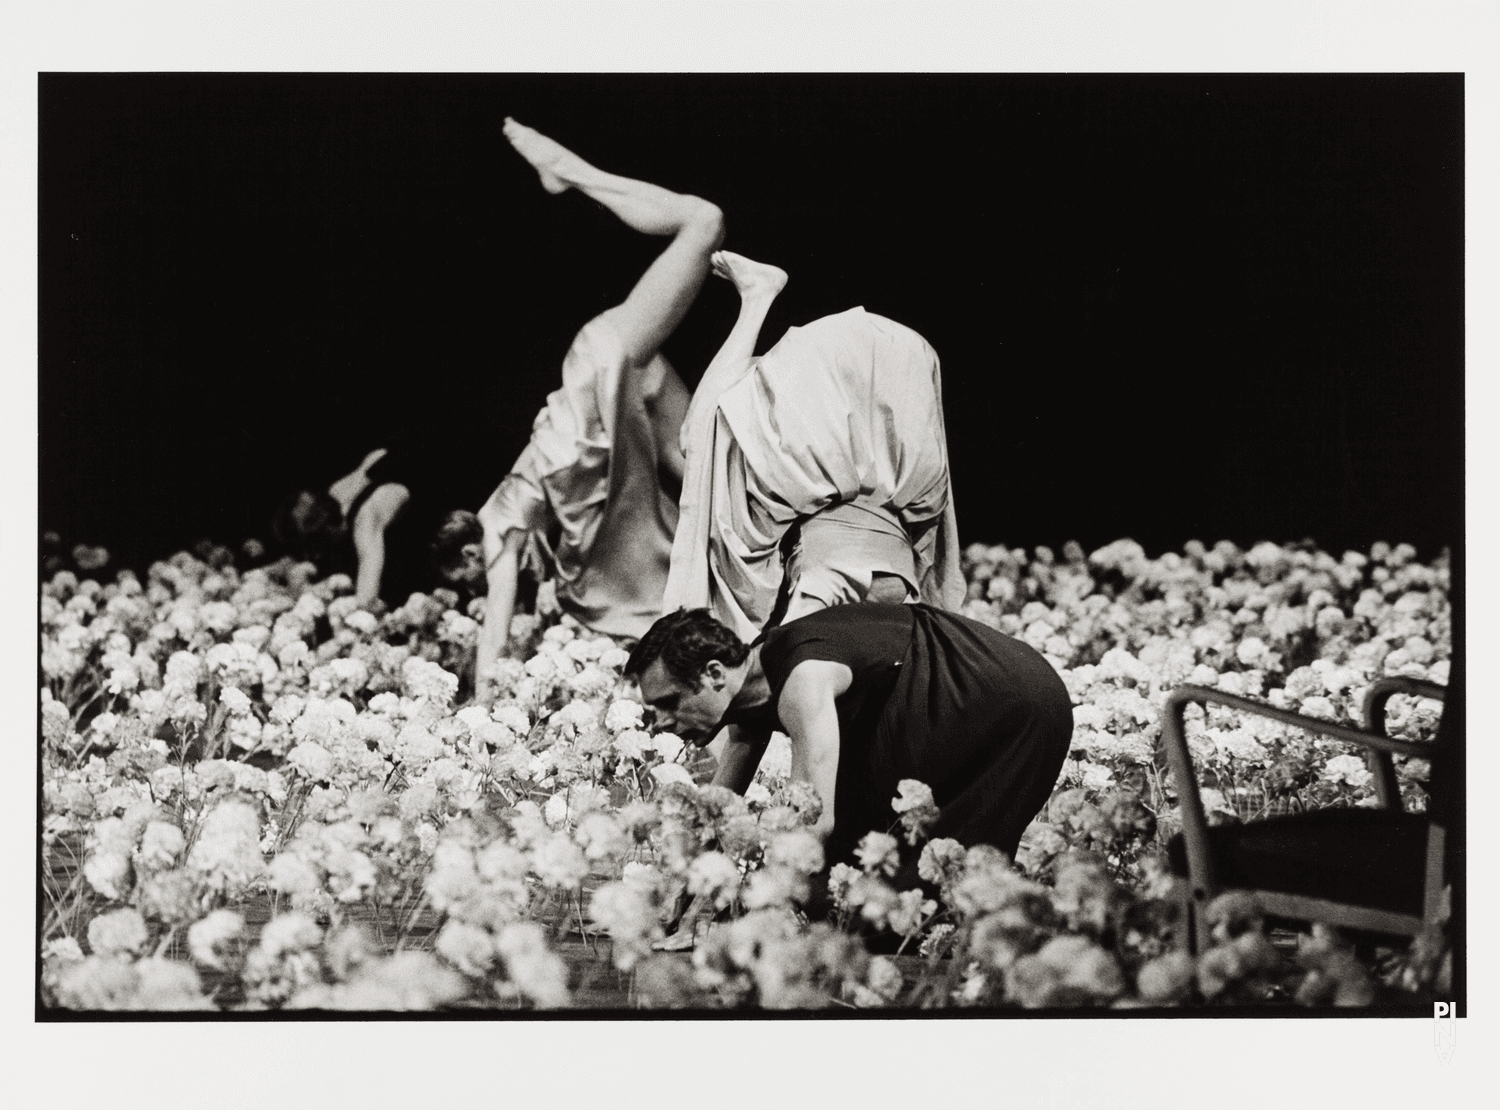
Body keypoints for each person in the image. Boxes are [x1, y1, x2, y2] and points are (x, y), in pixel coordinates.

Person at [434, 119, 723, 702]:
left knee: (704, 220)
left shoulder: (500, 532)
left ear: (468, 550)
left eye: (468, 574)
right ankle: (569, 174)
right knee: (702, 459)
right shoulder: (518, 499)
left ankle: (570, 173)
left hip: (601, 373)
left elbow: (495, 627)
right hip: (612, 382)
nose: (484, 581)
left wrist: (482, 703)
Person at [627, 604, 1073, 892]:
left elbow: (817, 822)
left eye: (669, 703)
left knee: (891, 890)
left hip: (1007, 700)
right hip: (960, 708)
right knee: (853, 881)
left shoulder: (802, 681)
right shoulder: (750, 691)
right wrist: (686, 888)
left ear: (713, 674)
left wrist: (751, 899)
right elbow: (718, 811)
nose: (663, 722)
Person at [664, 250, 966, 643]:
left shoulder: (826, 482)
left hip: (845, 558)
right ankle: (758, 299)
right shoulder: (909, 474)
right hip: (896, 374)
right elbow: (928, 537)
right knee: (704, 436)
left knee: (702, 436)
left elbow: (695, 438)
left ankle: (757, 300)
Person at [272, 438, 438, 612]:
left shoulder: (365, 518)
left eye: (313, 550)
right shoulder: (336, 491)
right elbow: (377, 455)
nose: (314, 556)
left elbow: (367, 601)